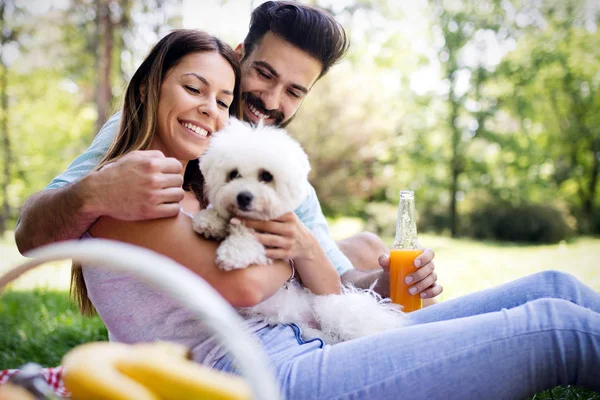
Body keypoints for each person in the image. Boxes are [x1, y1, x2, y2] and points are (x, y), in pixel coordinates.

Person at [76, 28, 600, 400]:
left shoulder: (201, 178)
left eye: (222, 99)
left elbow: (331, 281)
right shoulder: (127, 191)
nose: (211, 111)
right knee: (557, 330)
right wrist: (296, 245)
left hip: (312, 334)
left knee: (555, 285)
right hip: (262, 372)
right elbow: (245, 286)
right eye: (193, 90)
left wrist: (317, 250)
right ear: (148, 87)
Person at [14, 1, 442, 305]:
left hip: (276, 322)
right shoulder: (159, 127)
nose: (271, 101)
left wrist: (386, 284)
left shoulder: (279, 165)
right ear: (240, 56)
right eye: (264, 73)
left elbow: (334, 282)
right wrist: (95, 192)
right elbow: (29, 235)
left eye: (294, 91)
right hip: (195, 329)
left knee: (368, 249)